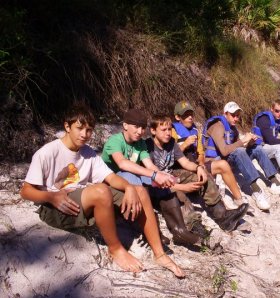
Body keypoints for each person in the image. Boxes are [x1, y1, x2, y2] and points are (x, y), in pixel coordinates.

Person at [20, 104, 184, 278]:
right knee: (101, 191)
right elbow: (25, 191)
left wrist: (129, 187)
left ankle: (159, 254)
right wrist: (51, 197)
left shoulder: (88, 153)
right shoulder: (47, 152)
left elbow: (110, 177)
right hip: (55, 207)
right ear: (67, 127)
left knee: (140, 191)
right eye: (79, 128)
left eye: (89, 130)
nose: (84, 134)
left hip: (80, 199)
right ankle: (116, 249)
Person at [101, 108, 204, 247]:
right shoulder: (115, 140)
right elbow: (122, 163)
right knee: (135, 178)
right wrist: (155, 175)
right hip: (111, 180)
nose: (140, 131)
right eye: (136, 126)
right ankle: (151, 230)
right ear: (125, 125)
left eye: (143, 127)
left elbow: (149, 166)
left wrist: (162, 176)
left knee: (162, 184)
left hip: (132, 178)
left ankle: (179, 230)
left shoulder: (141, 143)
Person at [146, 114, 249, 232]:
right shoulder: (148, 147)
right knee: (179, 194)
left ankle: (223, 216)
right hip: (155, 184)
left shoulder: (171, 143)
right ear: (153, 131)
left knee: (203, 177)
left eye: (169, 129)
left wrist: (198, 168)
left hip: (171, 174)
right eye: (163, 130)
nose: (168, 133)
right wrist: (183, 187)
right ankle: (195, 226)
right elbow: (154, 179)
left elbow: (184, 162)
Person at [203, 101, 280, 211]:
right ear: (225, 113)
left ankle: (275, 183)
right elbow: (224, 151)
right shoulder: (217, 126)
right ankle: (256, 191)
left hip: (228, 162)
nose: (236, 118)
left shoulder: (233, 129)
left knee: (257, 148)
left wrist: (249, 143)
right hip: (216, 163)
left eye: (237, 116)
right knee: (240, 151)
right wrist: (242, 141)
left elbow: (234, 149)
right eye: (233, 115)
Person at [172, 100, 250, 210]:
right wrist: (184, 145)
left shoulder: (195, 131)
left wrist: (201, 163)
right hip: (180, 169)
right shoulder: (171, 131)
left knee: (223, 165)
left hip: (196, 166)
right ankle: (220, 205)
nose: (190, 117)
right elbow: (168, 156)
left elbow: (200, 152)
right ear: (177, 117)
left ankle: (239, 199)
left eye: (191, 114)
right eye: (186, 115)